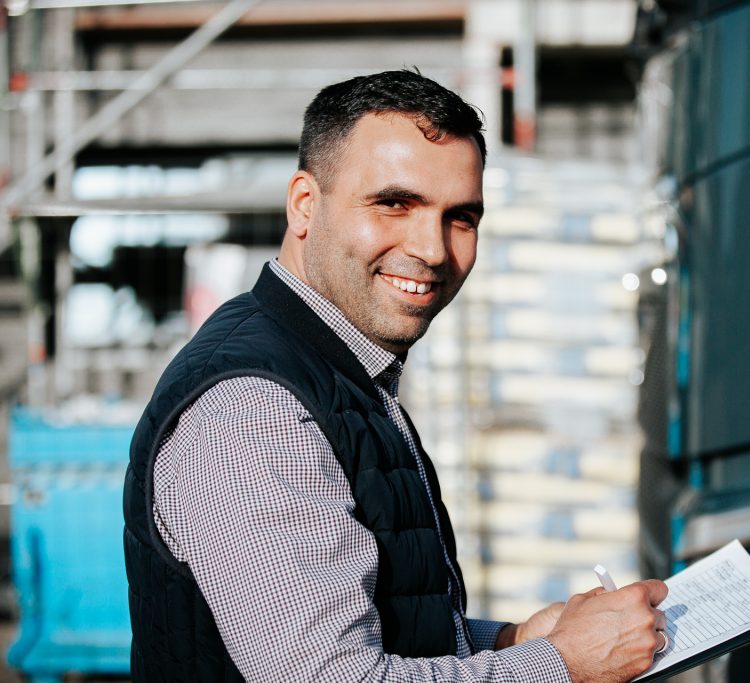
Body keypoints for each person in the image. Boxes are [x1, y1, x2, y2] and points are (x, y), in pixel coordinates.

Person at [124, 69, 668, 682]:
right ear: (305, 205)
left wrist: (515, 639)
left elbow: (379, 629)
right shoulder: (256, 409)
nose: (433, 249)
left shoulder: (343, 375)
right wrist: (563, 664)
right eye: (395, 204)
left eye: (460, 217)